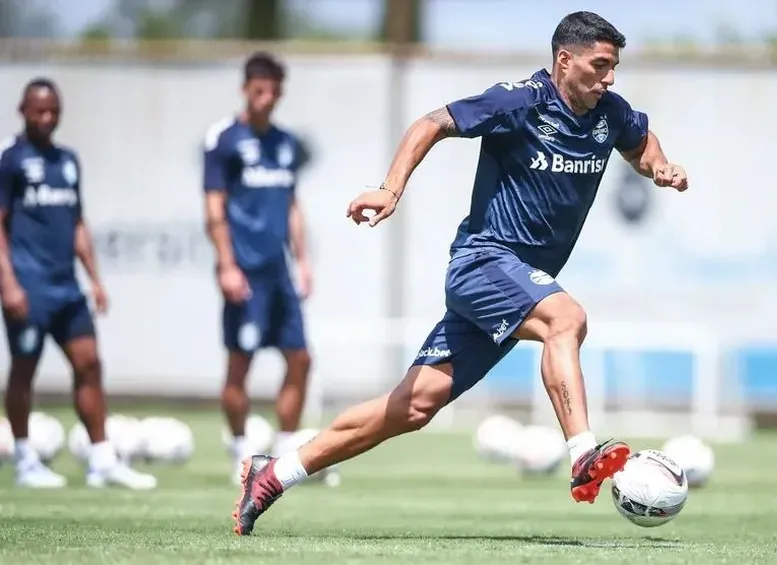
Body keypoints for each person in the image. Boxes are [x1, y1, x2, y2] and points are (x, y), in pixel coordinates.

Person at [231, 11, 688, 535]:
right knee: (567, 318)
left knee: (411, 407)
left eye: (614, 68)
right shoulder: (519, 101)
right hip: (483, 263)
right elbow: (431, 122)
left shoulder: (611, 112)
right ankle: (583, 452)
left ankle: (274, 473)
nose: (609, 78)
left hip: (515, 284)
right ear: (565, 60)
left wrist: (660, 166)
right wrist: (390, 189)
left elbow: (640, 141)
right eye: (600, 65)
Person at [0, 78, 156, 489]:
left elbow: (77, 223)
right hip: (28, 286)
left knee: (89, 363)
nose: (47, 117)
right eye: (39, 111)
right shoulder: (10, 160)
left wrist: (96, 279)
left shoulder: (67, 161)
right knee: (24, 369)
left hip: (67, 287)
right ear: (23, 111)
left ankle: (101, 460)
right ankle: (24, 460)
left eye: (54, 111)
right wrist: (8, 283)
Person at [202, 52, 323, 485]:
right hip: (244, 273)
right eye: (259, 90)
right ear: (245, 89)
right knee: (241, 364)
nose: (266, 98)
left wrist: (304, 262)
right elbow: (214, 208)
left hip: (279, 273)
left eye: (274, 91)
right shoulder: (224, 140)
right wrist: (226, 265)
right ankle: (239, 449)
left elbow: (292, 205)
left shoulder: (285, 143)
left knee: (301, 359)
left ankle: (287, 447)